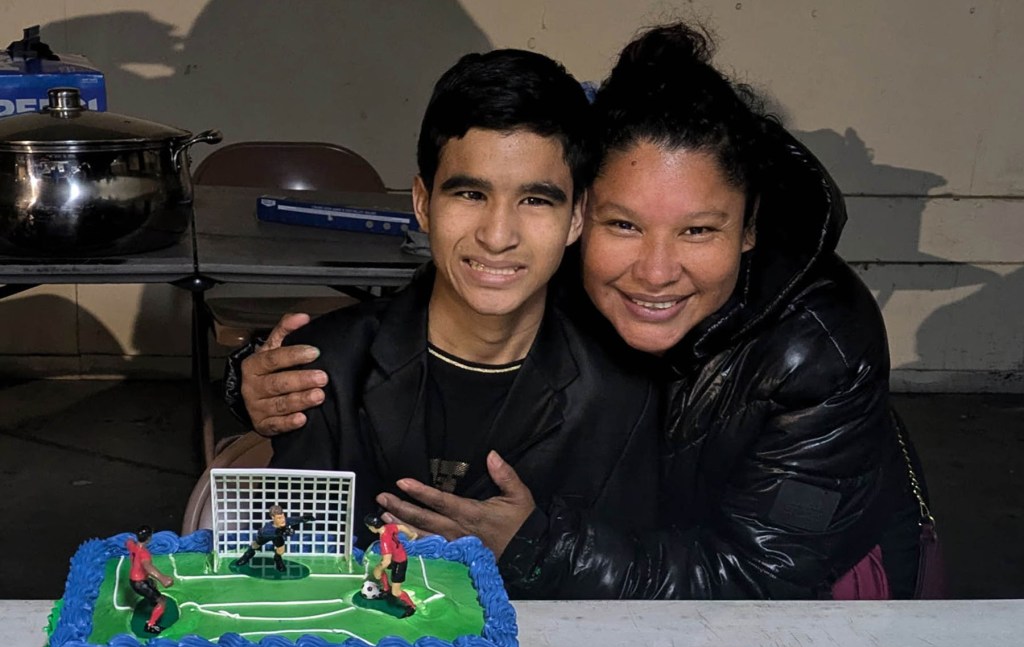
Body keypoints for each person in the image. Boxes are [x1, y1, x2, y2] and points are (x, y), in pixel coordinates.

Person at [231, 24, 933, 600]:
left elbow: (764, 574)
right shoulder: (547, 262)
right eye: (624, 225)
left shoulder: (818, 347)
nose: (655, 272)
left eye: (699, 230)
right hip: (635, 568)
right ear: (584, 217)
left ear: (749, 228)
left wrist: (539, 547)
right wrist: (247, 379)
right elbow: (473, 256)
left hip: (806, 581)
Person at [252, 49, 664, 564]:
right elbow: (288, 569)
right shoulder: (323, 369)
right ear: (423, 203)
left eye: (535, 200)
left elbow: (625, 588)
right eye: (470, 193)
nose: (497, 236)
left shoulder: (622, 391)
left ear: (577, 217)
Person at [364, 513, 419, 617]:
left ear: (372, 527)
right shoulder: (387, 527)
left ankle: (412, 606)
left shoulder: (384, 540)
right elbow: (401, 527)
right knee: (380, 571)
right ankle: (385, 589)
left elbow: (386, 561)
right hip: (396, 556)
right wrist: (411, 534)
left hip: (399, 561)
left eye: (368, 527)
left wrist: (378, 569)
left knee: (396, 592)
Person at [233, 504, 315, 572]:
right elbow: (264, 532)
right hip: (265, 536)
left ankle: (277, 559)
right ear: (273, 517)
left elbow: (296, 519)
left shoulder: (285, 521)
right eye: (279, 518)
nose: (282, 520)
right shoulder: (268, 528)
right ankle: (247, 555)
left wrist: (306, 518)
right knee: (255, 545)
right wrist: (280, 531)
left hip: (277, 537)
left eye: (283, 516)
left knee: (281, 550)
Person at [125, 525, 174, 634]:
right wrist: (163, 578)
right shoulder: (144, 553)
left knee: (152, 583)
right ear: (148, 538)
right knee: (162, 602)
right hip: (140, 583)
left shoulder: (132, 545)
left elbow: (127, 542)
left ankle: (153, 601)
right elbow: (148, 567)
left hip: (134, 579)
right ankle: (151, 625)